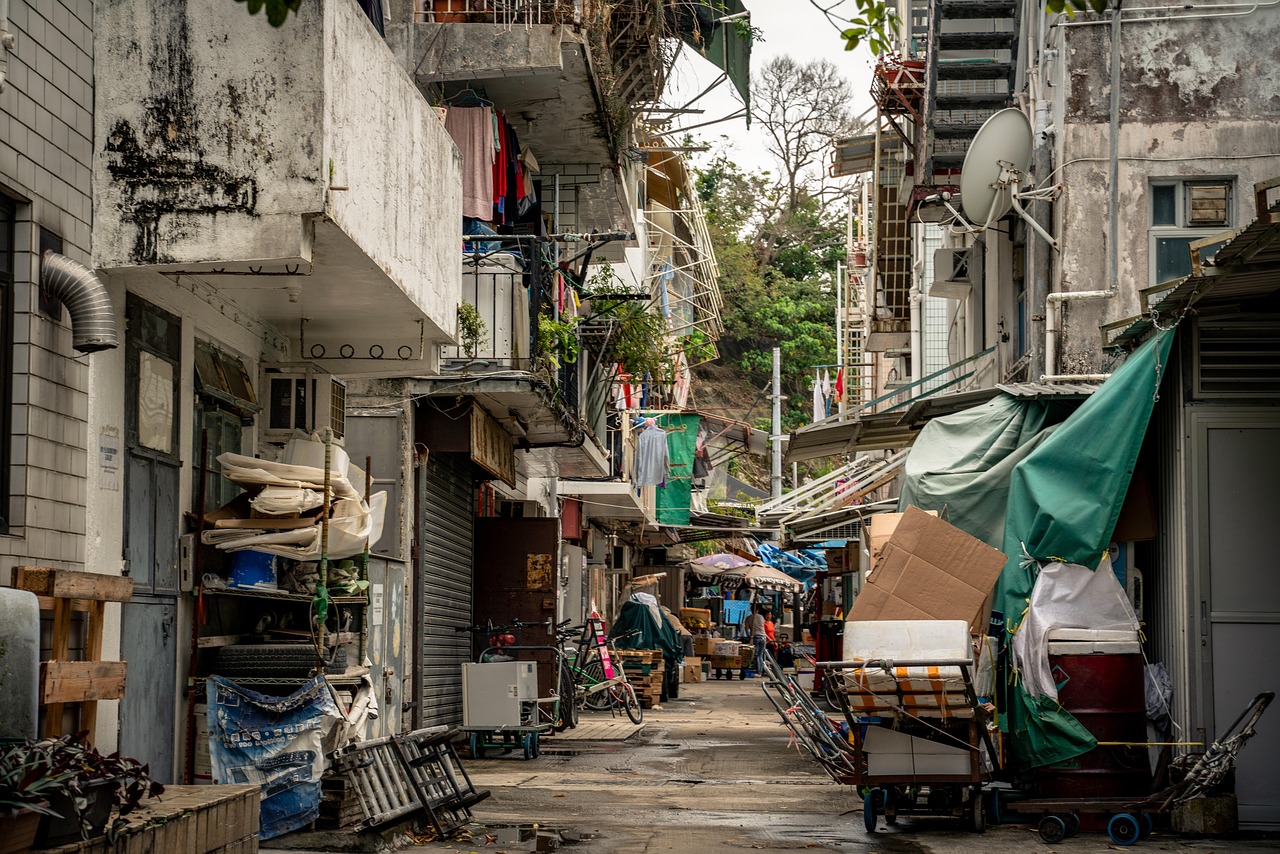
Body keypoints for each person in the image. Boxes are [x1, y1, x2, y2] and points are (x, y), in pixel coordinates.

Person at [750, 605, 768, 676]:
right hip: (763, 637)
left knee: (757, 655)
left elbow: (746, 628)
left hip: (756, 637)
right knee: (762, 655)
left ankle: (759, 671)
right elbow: (763, 626)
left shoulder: (749, 618)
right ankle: (763, 670)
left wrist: (749, 636)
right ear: (757, 610)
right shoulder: (761, 617)